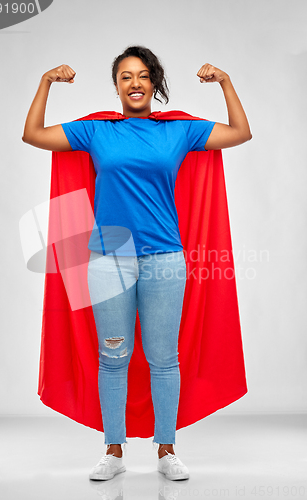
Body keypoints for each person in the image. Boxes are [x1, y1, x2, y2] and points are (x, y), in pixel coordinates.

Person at [22, 45, 252, 481]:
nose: (135, 84)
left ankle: (166, 450)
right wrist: (45, 82)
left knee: (164, 358)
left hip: (165, 259)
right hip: (108, 261)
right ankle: (113, 450)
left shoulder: (178, 132)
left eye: (143, 76)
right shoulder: (97, 133)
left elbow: (240, 132)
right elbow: (33, 134)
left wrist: (225, 82)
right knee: (113, 358)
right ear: (116, 86)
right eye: (126, 77)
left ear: (155, 83)